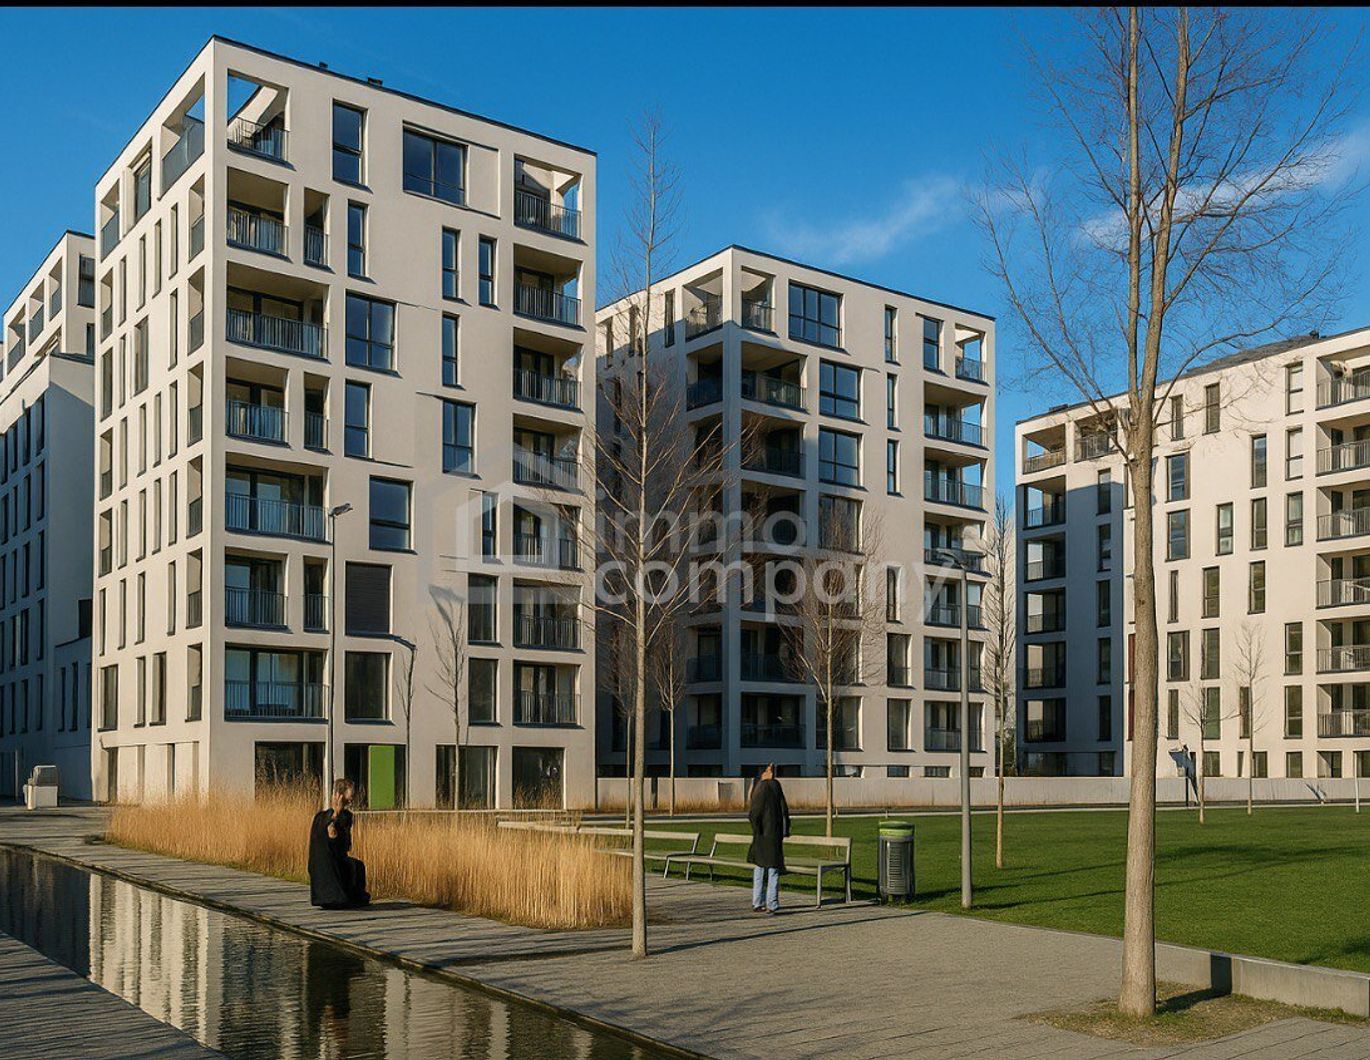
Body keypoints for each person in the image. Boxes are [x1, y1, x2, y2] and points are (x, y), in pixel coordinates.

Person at [309, 778, 371, 909]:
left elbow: (345, 846)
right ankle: (345, 897)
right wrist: (336, 814)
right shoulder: (326, 818)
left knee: (357, 865)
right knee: (355, 866)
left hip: (331, 860)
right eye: (350, 795)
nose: (351, 799)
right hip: (328, 865)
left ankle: (350, 896)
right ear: (340, 795)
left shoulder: (340, 817)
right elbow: (333, 840)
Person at [747, 763, 790, 914]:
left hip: (761, 836)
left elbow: (754, 814)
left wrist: (757, 830)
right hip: (773, 834)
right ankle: (772, 903)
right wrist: (785, 830)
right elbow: (784, 810)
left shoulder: (759, 789)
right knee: (773, 870)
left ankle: (757, 902)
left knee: (759, 869)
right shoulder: (775, 787)